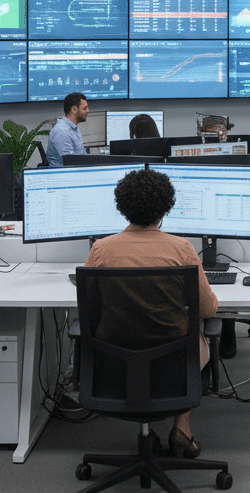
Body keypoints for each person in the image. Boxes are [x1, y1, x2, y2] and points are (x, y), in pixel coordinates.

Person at [84, 168, 217, 460]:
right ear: (166, 206)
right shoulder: (181, 248)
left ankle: (151, 429)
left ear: (121, 206)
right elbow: (208, 309)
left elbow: (92, 307)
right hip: (173, 362)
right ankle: (182, 428)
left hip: (114, 359)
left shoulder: (100, 250)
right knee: (198, 341)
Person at [46, 91, 88, 167]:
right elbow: (71, 163)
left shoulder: (73, 128)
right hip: (63, 175)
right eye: (85, 108)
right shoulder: (62, 131)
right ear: (74, 109)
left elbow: (82, 157)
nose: (88, 111)